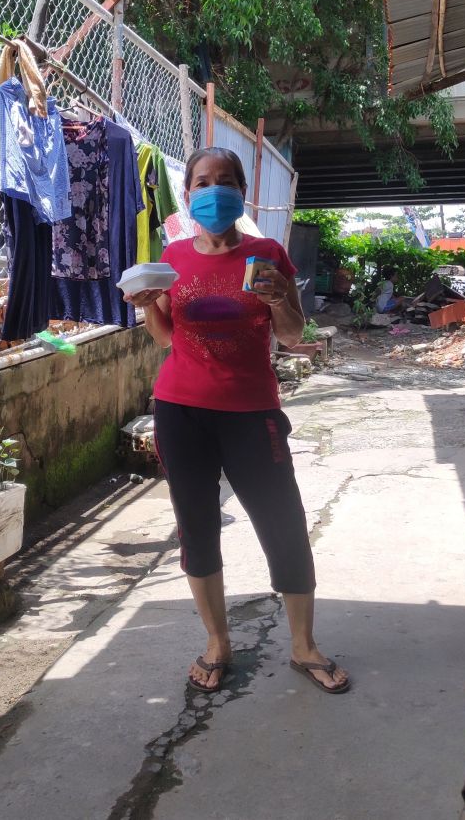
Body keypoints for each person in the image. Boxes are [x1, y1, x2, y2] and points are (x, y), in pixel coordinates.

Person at [124, 147, 350, 696]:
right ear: (188, 194)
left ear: (241, 192)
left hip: (252, 413)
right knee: (197, 527)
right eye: (203, 182)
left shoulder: (267, 254)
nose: (214, 190)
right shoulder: (173, 257)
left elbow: (292, 335)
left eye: (225, 181)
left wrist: (278, 301)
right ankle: (217, 643)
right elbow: (165, 338)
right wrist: (148, 303)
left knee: (283, 522)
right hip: (181, 411)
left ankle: (304, 646)